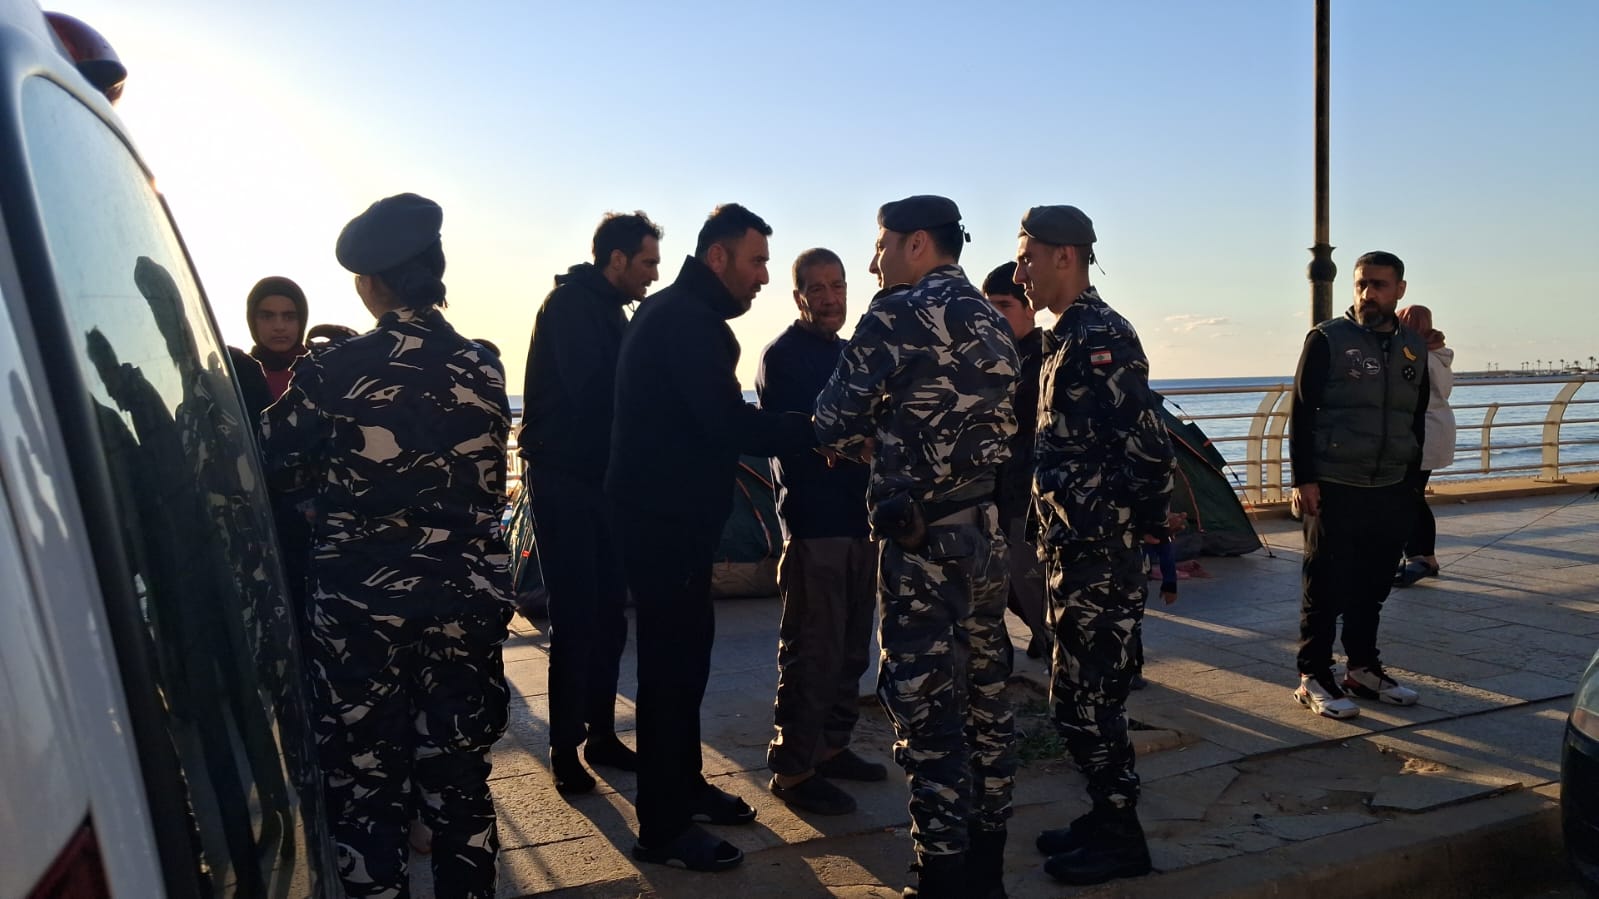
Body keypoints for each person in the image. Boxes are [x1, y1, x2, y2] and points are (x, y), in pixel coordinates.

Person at [260, 193, 515, 899]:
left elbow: (273, 460)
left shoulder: (335, 369)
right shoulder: (484, 367)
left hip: (360, 614)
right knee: (459, 783)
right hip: (464, 603)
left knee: (365, 787)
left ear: (369, 283)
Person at [815, 196, 1019, 899]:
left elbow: (830, 419)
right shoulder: (993, 317)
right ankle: (987, 873)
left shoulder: (895, 313)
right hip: (984, 538)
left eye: (881, 245)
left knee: (927, 711)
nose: (873, 260)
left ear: (916, 243)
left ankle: (941, 877)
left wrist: (872, 436)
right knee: (987, 703)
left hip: (921, 544)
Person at [607, 204, 815, 872]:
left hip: (671, 523)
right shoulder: (688, 323)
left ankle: (685, 786)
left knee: (688, 664)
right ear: (718, 256)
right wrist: (818, 430)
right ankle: (662, 828)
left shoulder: (679, 314)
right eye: (756, 261)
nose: (763, 276)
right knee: (669, 674)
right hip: (662, 525)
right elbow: (727, 424)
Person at [1014, 205, 1174, 886]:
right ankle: (1105, 817)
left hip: (1098, 554)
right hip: (1072, 548)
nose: (1019, 271)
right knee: (1076, 696)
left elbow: (1149, 447)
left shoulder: (1101, 335)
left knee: (1090, 700)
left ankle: (1121, 835)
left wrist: (1134, 528)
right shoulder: (1063, 337)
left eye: (1027, 256)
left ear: (1064, 256)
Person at [520, 211, 662, 794]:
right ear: (617, 259)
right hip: (564, 482)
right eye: (648, 262)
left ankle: (601, 735)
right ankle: (564, 749)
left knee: (608, 615)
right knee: (575, 615)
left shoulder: (609, 309)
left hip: (602, 484)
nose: (653, 275)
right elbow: (599, 395)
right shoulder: (571, 307)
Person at [758, 248, 885, 818]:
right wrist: (854, 444)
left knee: (853, 650)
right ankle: (792, 769)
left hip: (861, 523)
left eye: (838, 286)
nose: (831, 298)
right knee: (812, 651)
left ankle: (832, 748)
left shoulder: (847, 352)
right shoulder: (782, 357)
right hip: (814, 529)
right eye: (818, 288)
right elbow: (804, 437)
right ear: (799, 297)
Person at [1289, 250, 1428, 721]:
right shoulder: (1328, 339)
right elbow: (1301, 411)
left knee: (1373, 584)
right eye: (1361, 284)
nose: (1368, 293)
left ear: (1399, 290)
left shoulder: (1413, 347)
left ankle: (1362, 669)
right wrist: (1304, 478)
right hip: (1335, 481)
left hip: (1391, 483)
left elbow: (1416, 417)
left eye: (1379, 285)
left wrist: (1412, 482)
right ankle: (1312, 675)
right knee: (1325, 585)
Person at [982, 261, 1051, 661]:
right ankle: (1045, 640)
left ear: (1029, 308)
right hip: (1002, 496)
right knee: (1010, 585)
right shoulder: (994, 360)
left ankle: (1057, 646)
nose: (995, 317)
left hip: (1031, 501)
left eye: (1004, 305)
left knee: (1032, 583)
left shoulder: (1045, 360)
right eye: (988, 307)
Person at [1394, 303, 1455, 587]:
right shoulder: (1439, 356)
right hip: (1437, 427)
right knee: (1412, 495)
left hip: (1423, 431)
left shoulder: (1419, 356)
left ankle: (1424, 557)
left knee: (1411, 496)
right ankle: (1419, 555)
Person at [247, 275, 309, 400]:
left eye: (289, 317)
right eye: (267, 317)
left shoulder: (323, 373)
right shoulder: (236, 375)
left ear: (301, 321)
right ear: (253, 321)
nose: (279, 327)